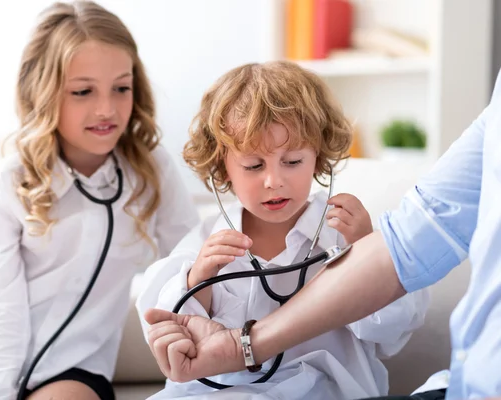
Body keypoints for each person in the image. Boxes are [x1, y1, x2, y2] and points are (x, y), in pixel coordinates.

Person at [143, 67, 501, 400]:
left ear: (319, 156)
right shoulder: (207, 240)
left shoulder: (343, 233)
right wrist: (197, 279)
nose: (274, 180)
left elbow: (391, 334)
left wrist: (362, 247)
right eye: (253, 166)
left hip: (325, 388)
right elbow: (167, 328)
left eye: (293, 161)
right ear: (223, 166)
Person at [0, 2, 199, 399]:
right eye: (83, 91)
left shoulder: (151, 169)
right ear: (44, 92)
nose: (106, 109)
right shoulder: (9, 182)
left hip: (73, 372)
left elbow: (190, 265)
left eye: (121, 88)